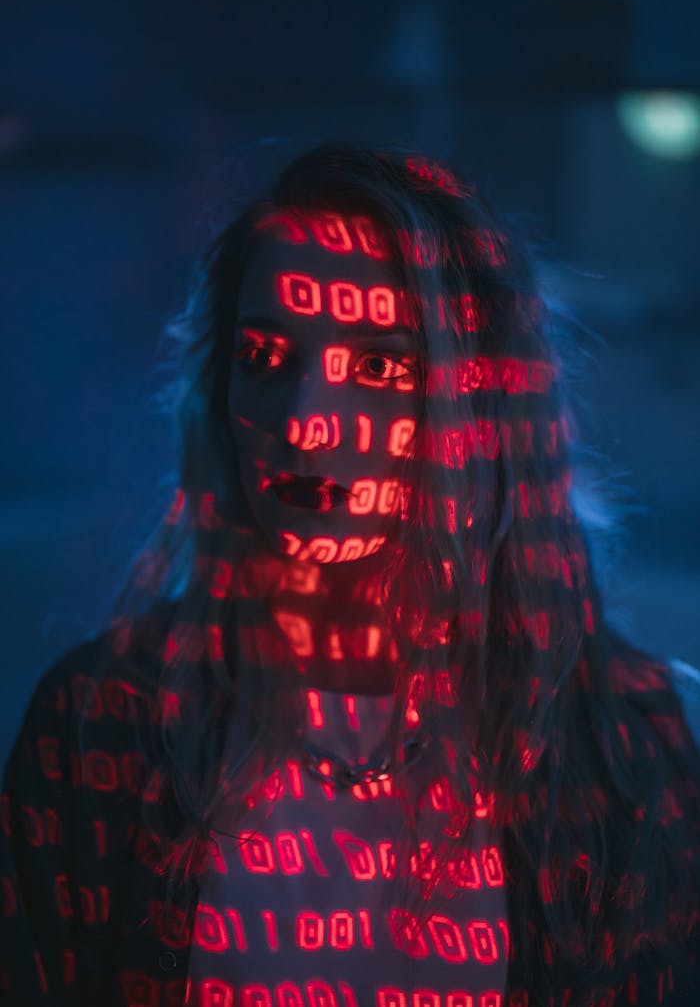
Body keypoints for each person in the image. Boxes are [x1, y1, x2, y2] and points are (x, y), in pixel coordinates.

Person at [1, 144, 699, 1007]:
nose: (307, 424)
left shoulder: (629, 742)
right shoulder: (103, 723)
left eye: (379, 365)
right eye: (266, 357)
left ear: (482, 403)